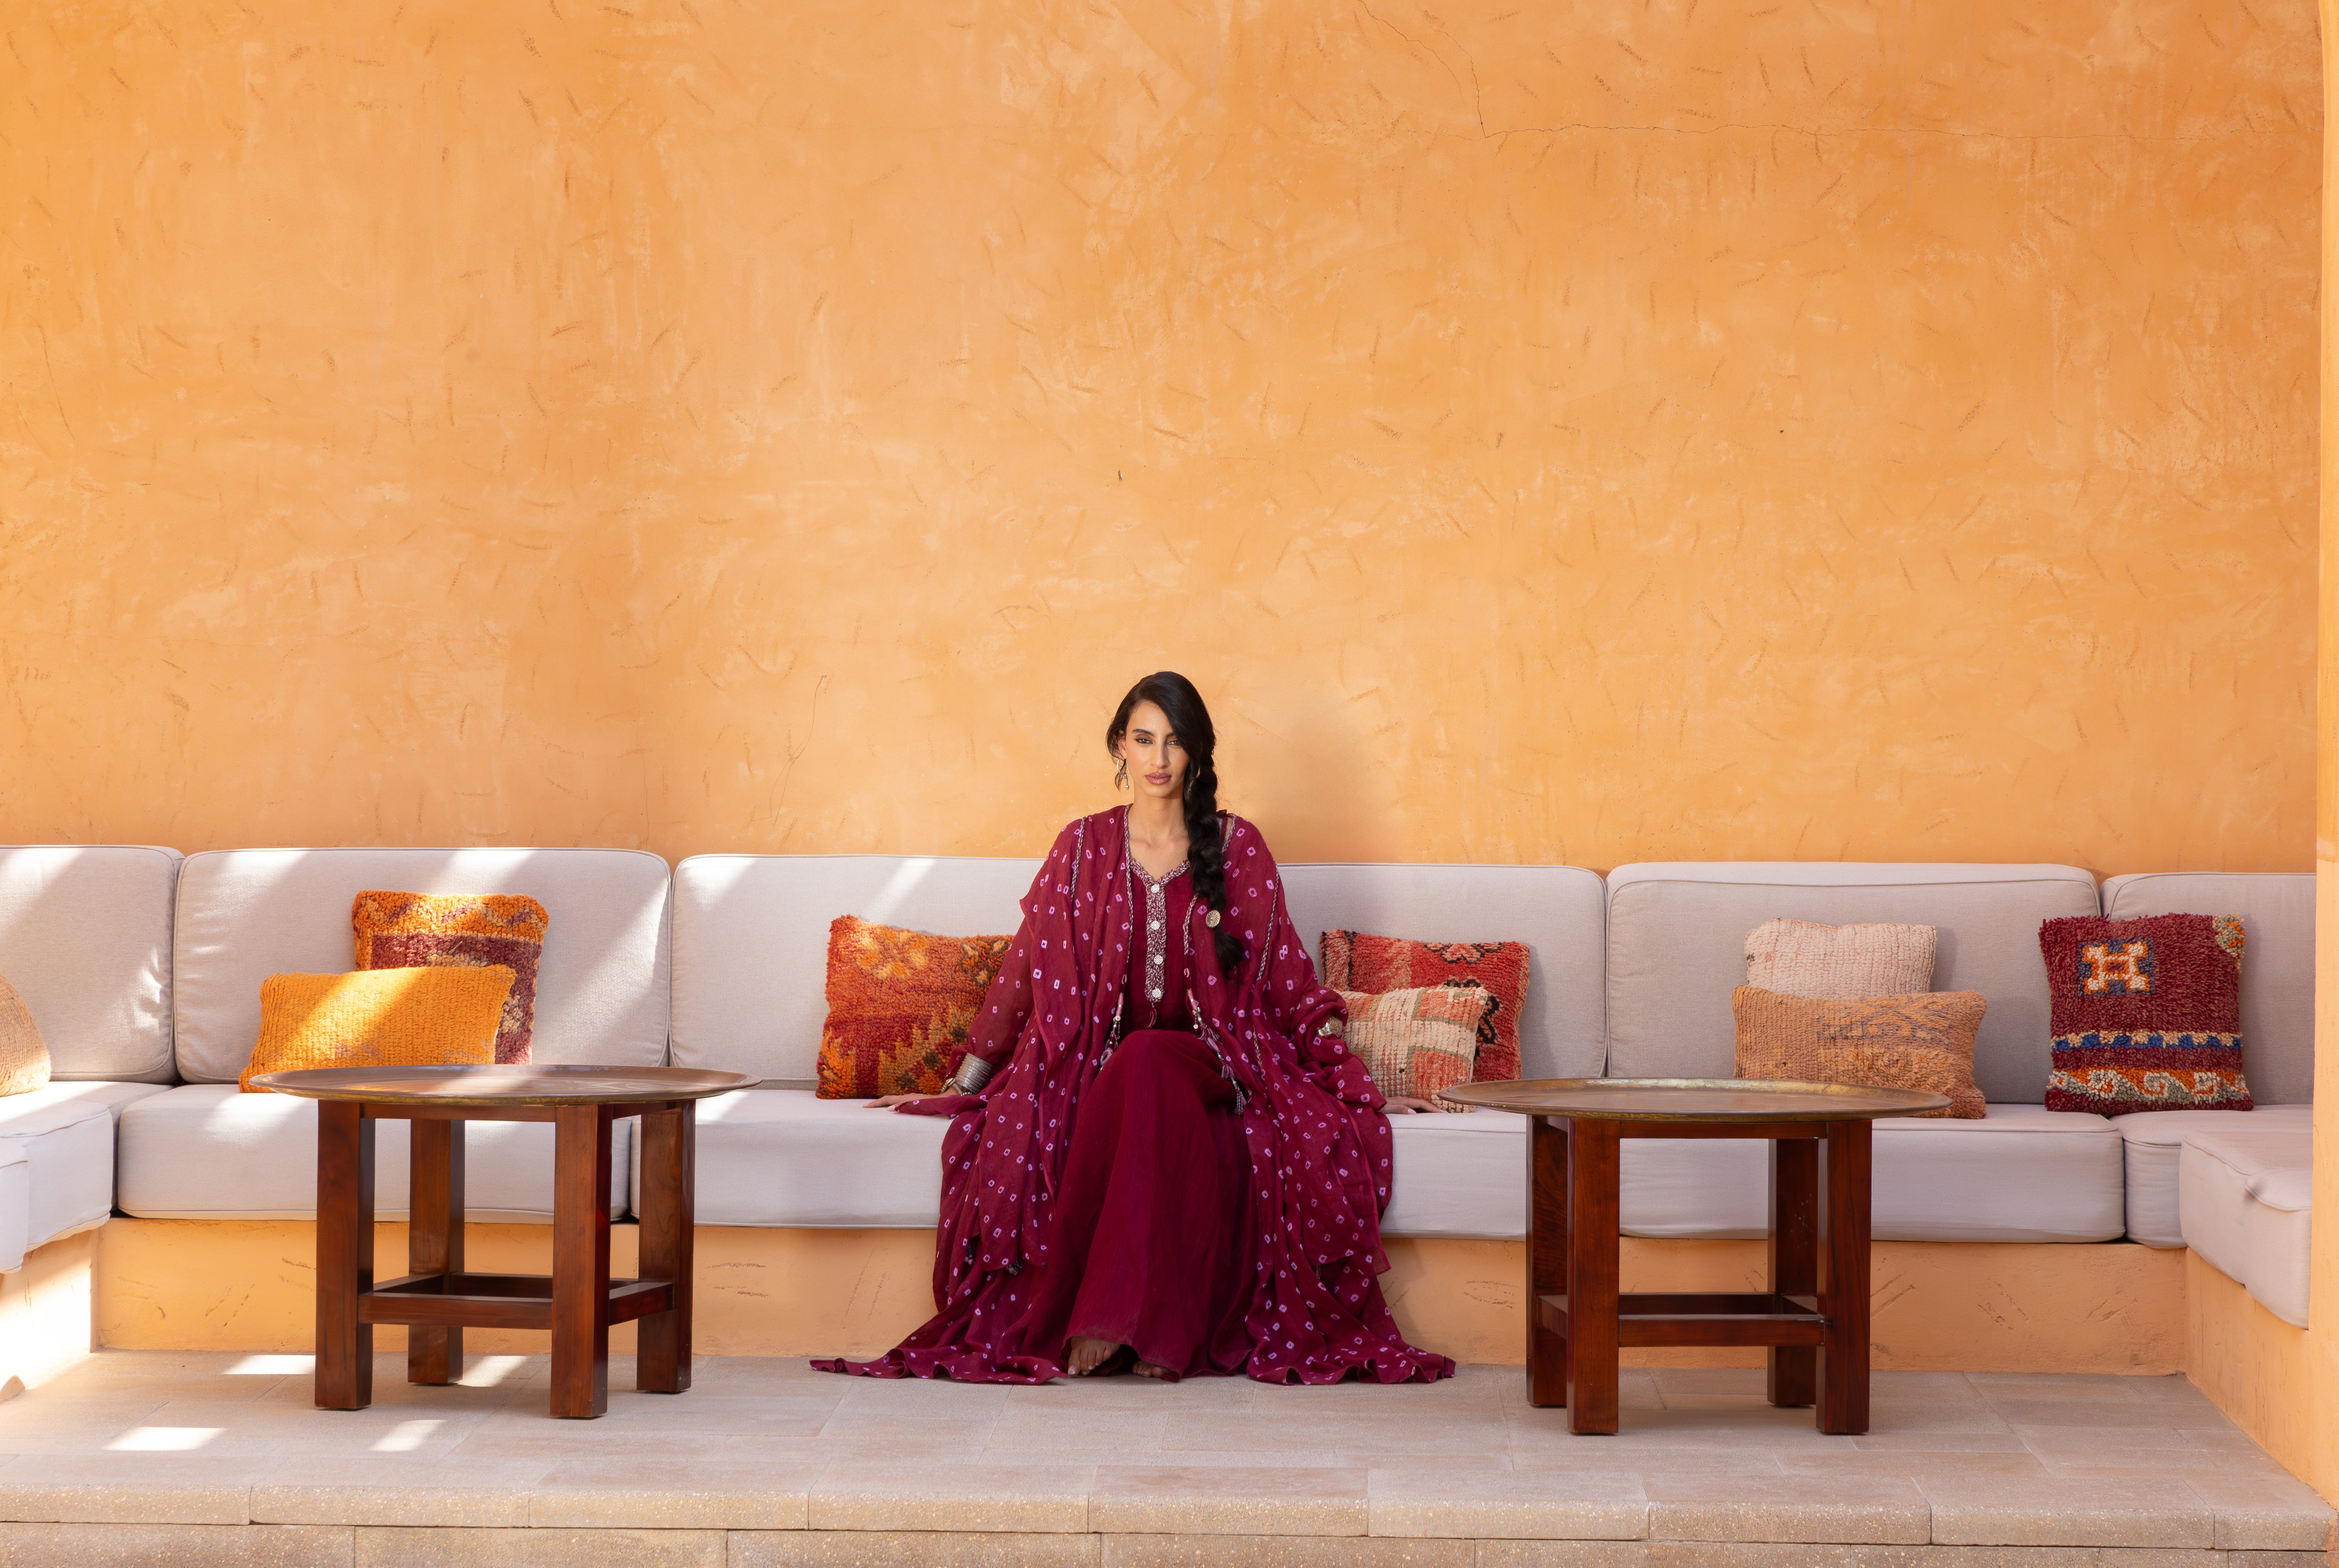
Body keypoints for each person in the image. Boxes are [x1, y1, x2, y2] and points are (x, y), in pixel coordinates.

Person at [813, 672, 1455, 1386]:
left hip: (1217, 1065)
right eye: (1144, 738)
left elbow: (1289, 980)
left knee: (1149, 1056)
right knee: (1136, 1069)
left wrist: (1350, 1080)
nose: (1159, 758)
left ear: (1197, 754)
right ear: (1120, 743)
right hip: (1101, 1073)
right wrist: (959, 1084)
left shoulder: (1237, 847)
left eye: (1176, 742)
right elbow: (1022, 976)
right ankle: (1151, 1329)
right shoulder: (1080, 848)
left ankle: (1107, 1322)